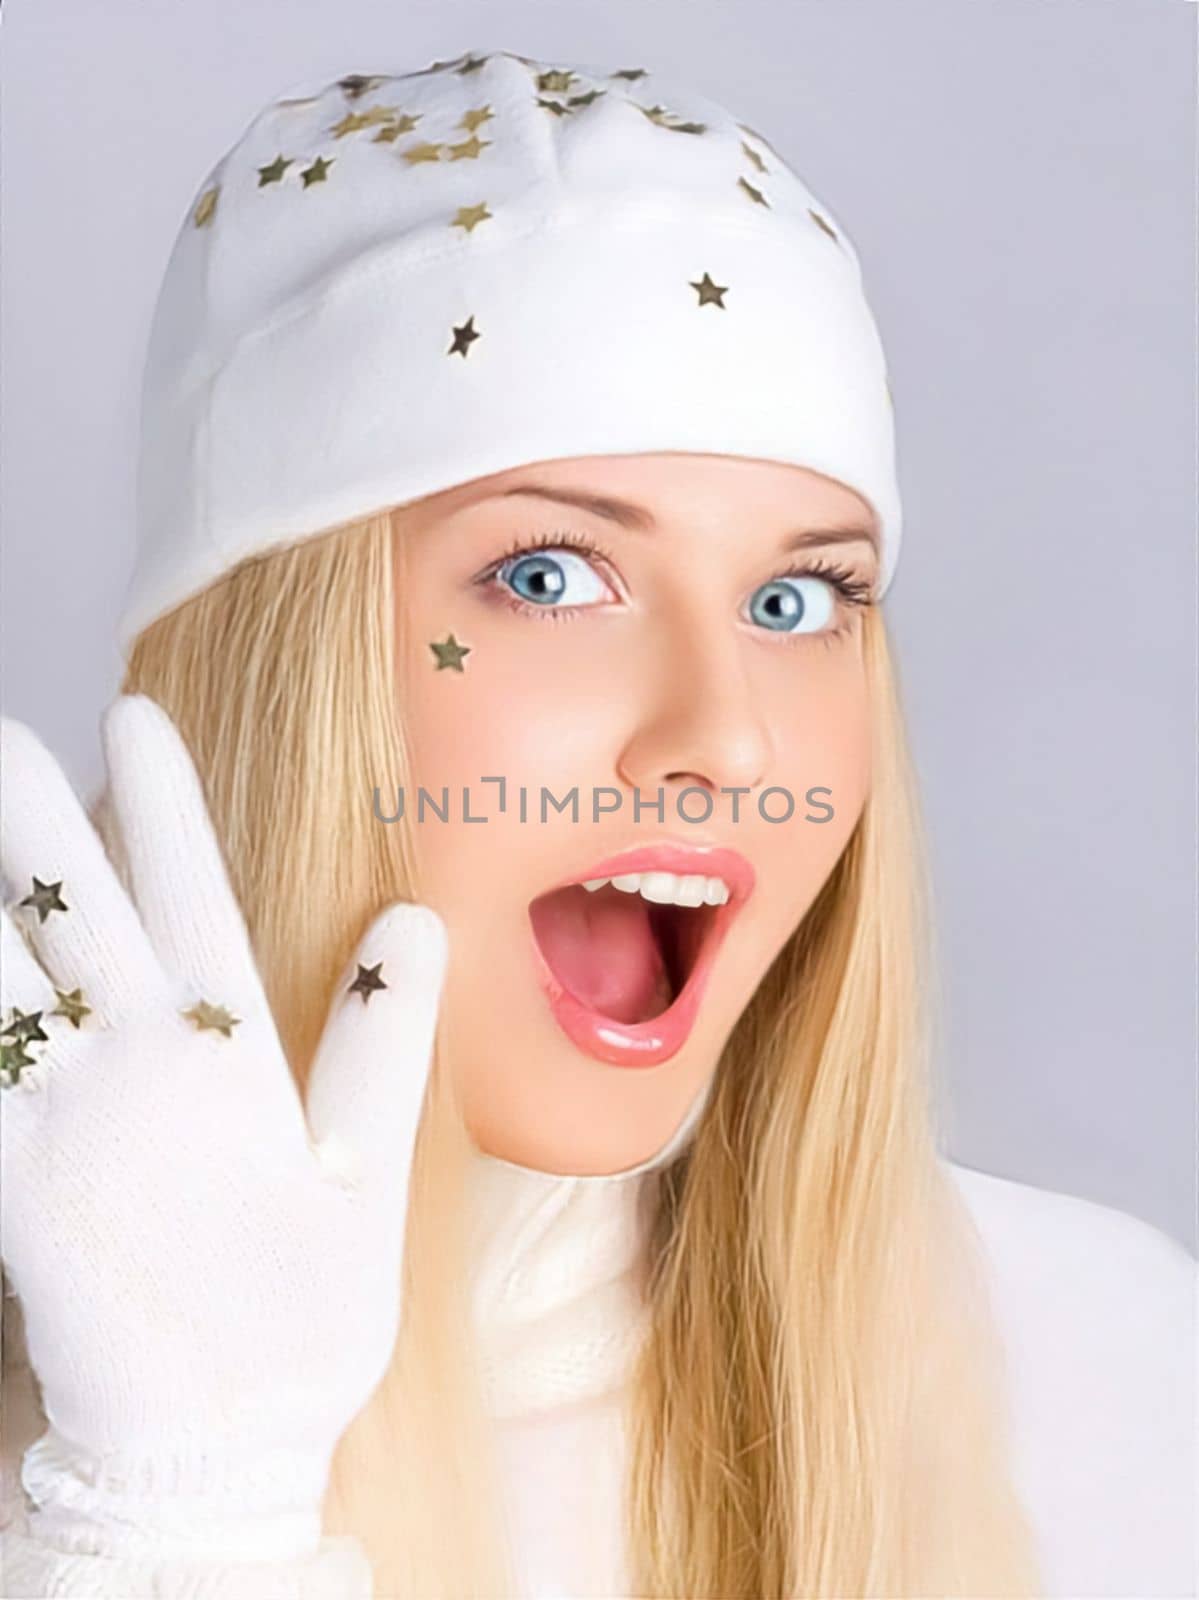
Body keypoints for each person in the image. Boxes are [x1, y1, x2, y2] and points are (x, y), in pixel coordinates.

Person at [0, 45, 1192, 1600]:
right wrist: (172, 1518)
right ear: (271, 670)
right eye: (550, 577)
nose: (725, 734)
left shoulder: (1113, 1367)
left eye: (795, 598)